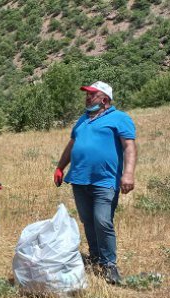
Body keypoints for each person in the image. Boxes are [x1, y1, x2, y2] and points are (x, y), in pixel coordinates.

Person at [54, 81, 136, 285]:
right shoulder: (82, 120)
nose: (87, 97)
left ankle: (109, 264)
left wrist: (128, 174)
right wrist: (60, 167)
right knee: (88, 220)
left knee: (102, 220)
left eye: (92, 94)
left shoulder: (120, 118)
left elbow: (129, 148)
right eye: (87, 94)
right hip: (79, 179)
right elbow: (71, 145)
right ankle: (95, 256)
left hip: (105, 180)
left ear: (105, 100)